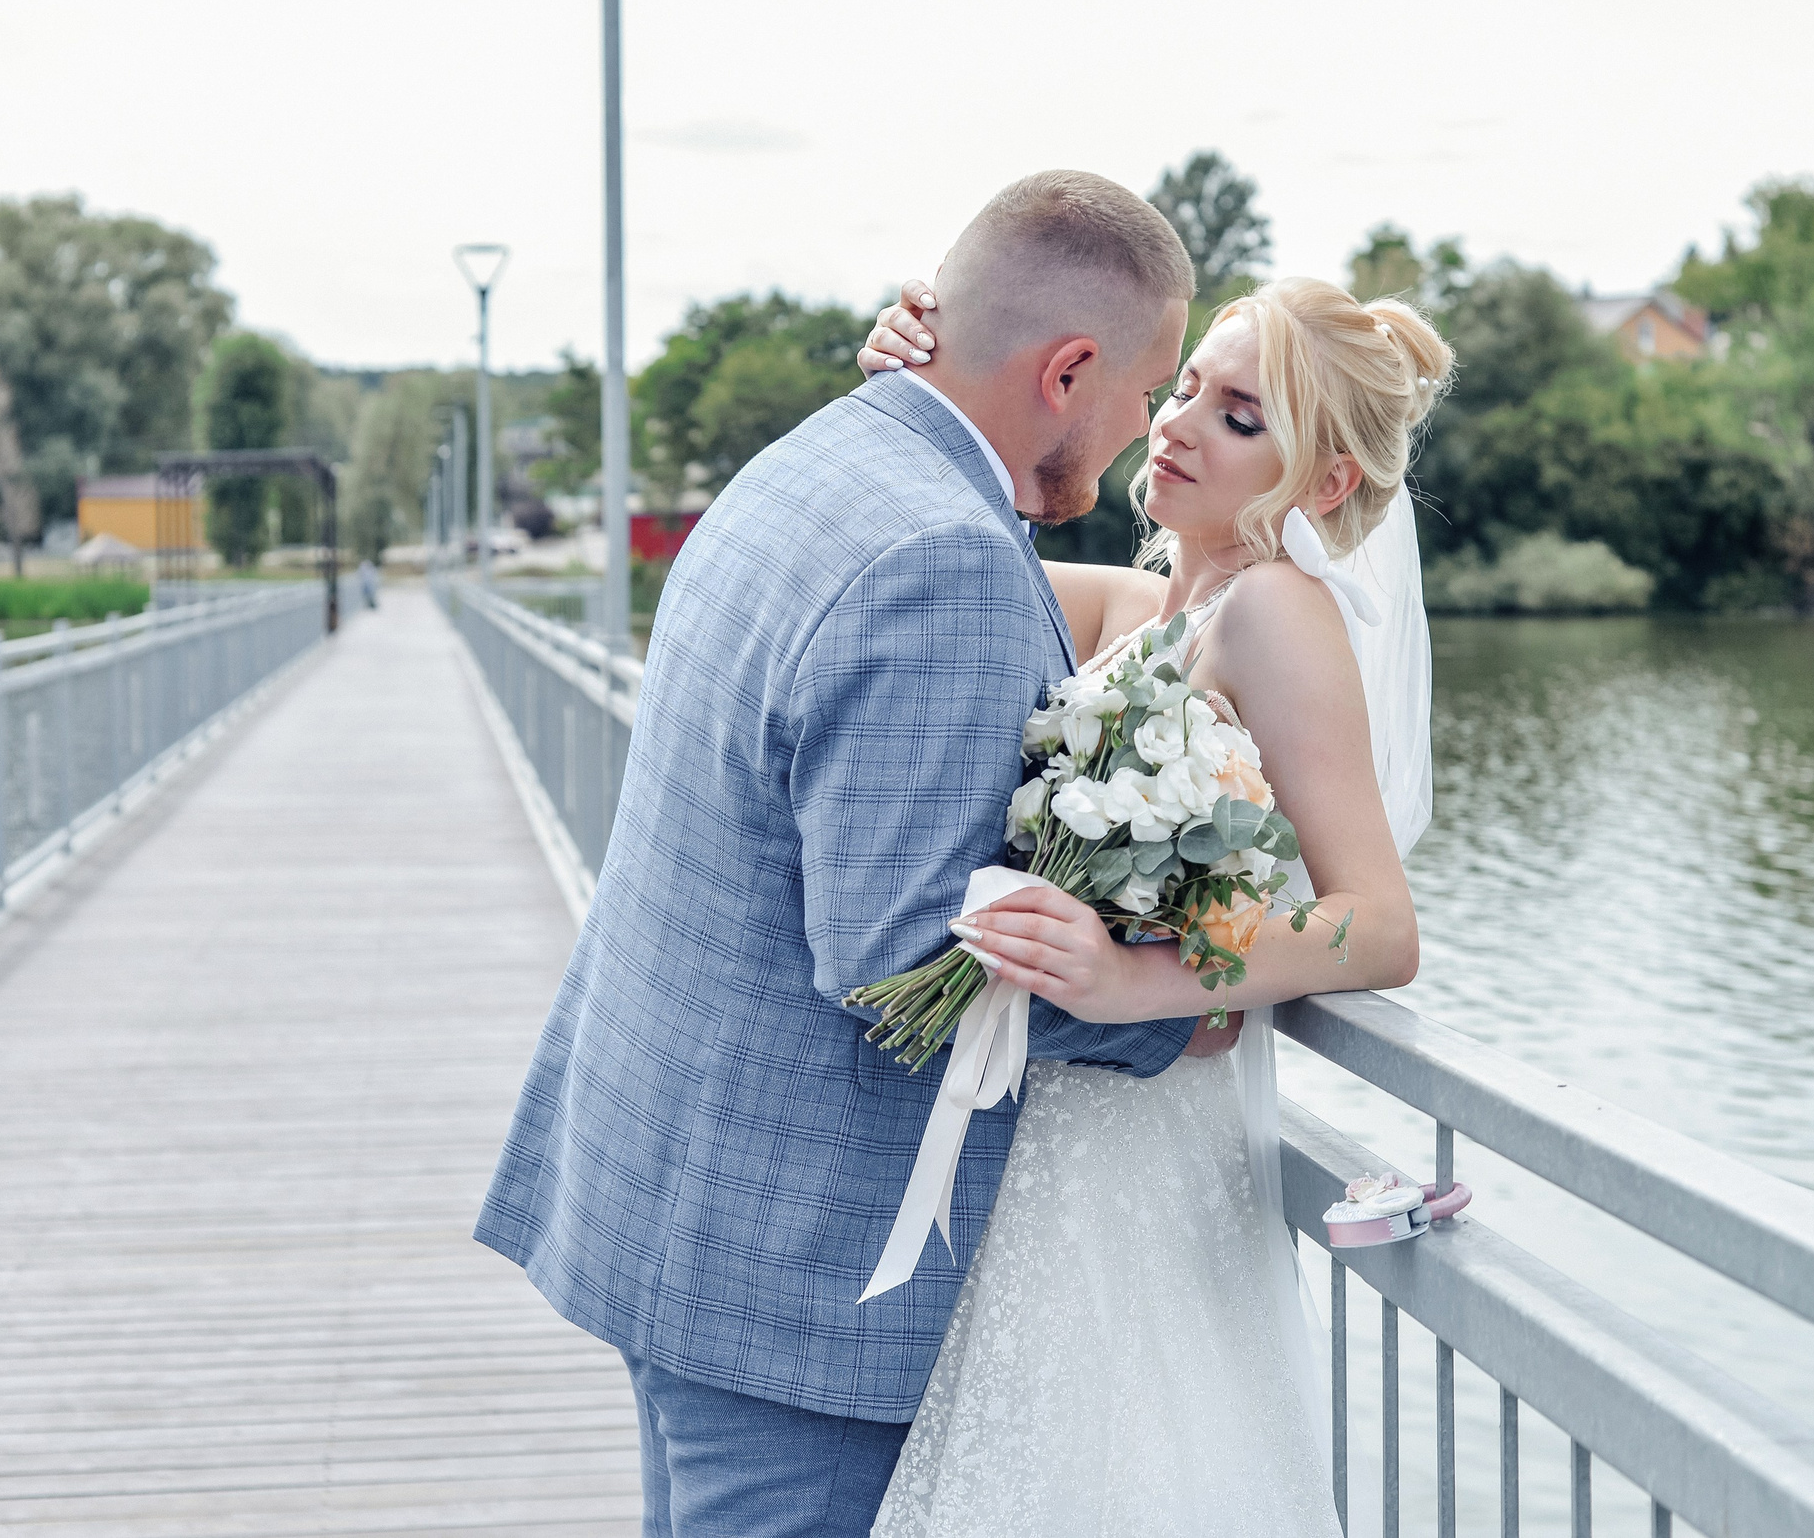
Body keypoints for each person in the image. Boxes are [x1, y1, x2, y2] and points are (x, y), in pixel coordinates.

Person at [475, 170, 1225, 1537]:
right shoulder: (941, 558)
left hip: (678, 1199)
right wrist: (1181, 1007)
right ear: (1069, 368)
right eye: (1147, 389)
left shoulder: (823, 455)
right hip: (788, 1279)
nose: (1144, 432)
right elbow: (896, 962)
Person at [849, 272, 1446, 1534]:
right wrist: (916, 388)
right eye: (1183, 389)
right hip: (1059, 1121)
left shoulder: (1278, 614)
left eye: (1238, 415)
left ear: (1324, 485)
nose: (1176, 421)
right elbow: (941, 550)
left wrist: (1138, 980)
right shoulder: (1143, 601)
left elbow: (1376, 924)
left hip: (1150, 1124)